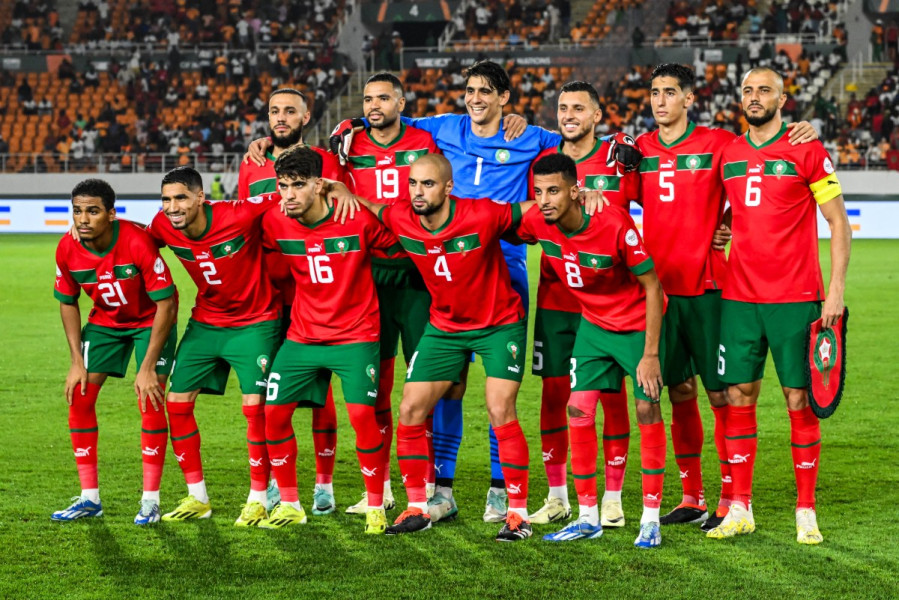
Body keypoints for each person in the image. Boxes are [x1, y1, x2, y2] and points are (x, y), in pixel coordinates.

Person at [335, 60, 561, 521]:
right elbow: (389, 119)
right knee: (451, 386)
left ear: (504, 98)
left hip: (504, 266)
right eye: (470, 90)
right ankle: (442, 487)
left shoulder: (531, 137)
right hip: (446, 267)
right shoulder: (444, 128)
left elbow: (576, 147)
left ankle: (500, 489)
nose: (475, 98)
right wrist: (351, 123)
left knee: (500, 398)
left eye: (485, 91)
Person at [620, 63, 820, 532]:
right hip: (660, 292)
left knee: (722, 394)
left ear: (689, 98)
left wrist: (725, 221)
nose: (661, 100)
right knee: (677, 391)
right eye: (655, 92)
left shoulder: (719, 144)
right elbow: (609, 188)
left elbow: (754, 178)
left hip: (711, 287)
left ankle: (733, 499)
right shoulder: (640, 149)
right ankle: (692, 496)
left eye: (671, 92)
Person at [352, 154, 534, 542]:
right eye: (413, 183)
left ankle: (518, 514)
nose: (418, 192)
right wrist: (340, 191)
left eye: (428, 184)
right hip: (445, 328)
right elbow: (372, 207)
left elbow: (532, 210)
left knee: (500, 409)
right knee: (410, 410)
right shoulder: (401, 216)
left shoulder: (481, 214)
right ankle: (418, 507)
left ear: (449, 187)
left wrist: (579, 196)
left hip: (498, 324)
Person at [705, 67, 851, 545]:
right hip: (739, 298)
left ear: (783, 99)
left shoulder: (806, 148)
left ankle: (805, 510)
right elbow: (735, 207)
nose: (754, 97)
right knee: (738, 395)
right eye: (747, 90)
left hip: (796, 297)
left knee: (799, 399)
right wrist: (726, 226)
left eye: (764, 90)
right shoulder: (729, 152)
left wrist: (835, 291)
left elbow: (838, 222)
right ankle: (740, 507)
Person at [517, 153, 668, 549]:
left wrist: (650, 355)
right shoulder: (537, 220)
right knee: (577, 410)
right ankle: (587, 517)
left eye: (553, 191)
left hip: (636, 326)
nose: (544, 200)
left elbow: (653, 286)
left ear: (575, 190)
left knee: (646, 409)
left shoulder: (613, 222)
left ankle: (650, 520)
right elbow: (501, 222)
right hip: (595, 326)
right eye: (538, 192)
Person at [259, 146, 400, 533]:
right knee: (273, 415)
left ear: (319, 184)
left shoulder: (355, 218)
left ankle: (376, 506)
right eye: (283, 186)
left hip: (356, 335)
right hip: (302, 337)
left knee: (362, 417)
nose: (289, 195)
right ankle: (291, 504)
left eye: (298, 185)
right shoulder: (274, 220)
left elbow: (400, 246)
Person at [526, 81, 639, 528]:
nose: (568, 115)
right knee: (554, 395)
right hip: (557, 299)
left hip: (610, 303)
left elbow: (659, 205)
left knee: (612, 396)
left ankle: (612, 498)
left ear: (597, 115)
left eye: (578, 107)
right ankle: (557, 496)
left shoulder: (619, 159)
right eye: (562, 107)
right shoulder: (543, 160)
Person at [147, 167, 282, 526]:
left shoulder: (238, 214)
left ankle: (259, 497)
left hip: (256, 322)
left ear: (200, 198)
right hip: (207, 322)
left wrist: (333, 187)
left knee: (255, 408)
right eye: (166, 200)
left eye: (180, 198)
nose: (172, 207)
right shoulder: (162, 225)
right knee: (176, 403)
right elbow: (134, 241)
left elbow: (286, 194)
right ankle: (197, 497)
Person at [238, 88, 345, 517]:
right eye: (274, 111)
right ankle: (270, 484)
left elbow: (340, 215)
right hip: (266, 297)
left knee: (320, 394)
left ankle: (323, 484)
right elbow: (245, 221)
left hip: (313, 294)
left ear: (305, 116)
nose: (280, 118)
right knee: (262, 395)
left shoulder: (326, 161)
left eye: (289, 111)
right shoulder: (253, 162)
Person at [337, 72, 440, 515]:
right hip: (369, 277)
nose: (373, 105)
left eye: (382, 98)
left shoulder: (424, 141)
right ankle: (378, 488)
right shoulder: (348, 146)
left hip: (417, 274)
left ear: (401, 102)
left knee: (423, 386)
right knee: (374, 387)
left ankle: (427, 483)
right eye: (367, 99)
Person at [52, 179, 177, 525]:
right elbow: (67, 302)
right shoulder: (66, 248)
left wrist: (147, 367)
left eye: (93, 211)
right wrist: (76, 361)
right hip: (106, 322)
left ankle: (150, 501)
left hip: (152, 321)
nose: (83, 219)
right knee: (79, 396)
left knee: (150, 397)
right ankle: (89, 498)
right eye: (77, 211)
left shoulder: (136, 241)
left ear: (111, 214)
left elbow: (166, 304)